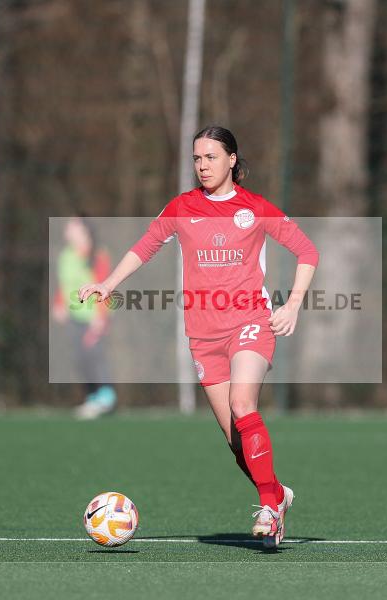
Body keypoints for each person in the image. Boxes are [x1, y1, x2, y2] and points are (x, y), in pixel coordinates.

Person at [79, 126, 318, 548]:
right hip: (203, 336)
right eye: (196, 158)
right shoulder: (183, 207)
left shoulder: (254, 208)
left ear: (232, 160)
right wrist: (110, 283)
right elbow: (146, 245)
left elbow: (307, 251)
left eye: (211, 157)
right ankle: (278, 495)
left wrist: (293, 304)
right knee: (236, 440)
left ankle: (268, 506)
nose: (202, 166)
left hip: (250, 323)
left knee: (244, 406)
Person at [52, 215, 117, 419]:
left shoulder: (98, 255)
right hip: (75, 316)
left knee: (94, 356)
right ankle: (92, 398)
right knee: (80, 358)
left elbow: (103, 286)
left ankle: (107, 397)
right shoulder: (66, 256)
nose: (67, 230)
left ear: (84, 231)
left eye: (73, 226)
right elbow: (65, 285)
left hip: (95, 316)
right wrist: (59, 304)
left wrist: (100, 317)